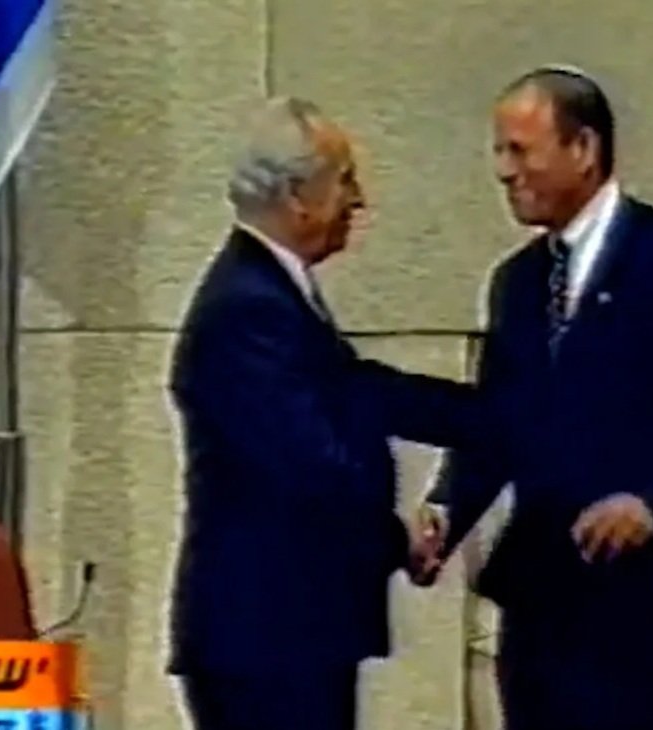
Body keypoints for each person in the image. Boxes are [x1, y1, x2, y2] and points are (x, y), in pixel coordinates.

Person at [415, 66, 653, 729]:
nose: (502, 170)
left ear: (583, 149)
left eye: (519, 150)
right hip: (544, 611)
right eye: (498, 150)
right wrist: (444, 511)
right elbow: (497, 424)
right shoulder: (517, 285)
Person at [166, 96, 485, 730]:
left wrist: (498, 416)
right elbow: (313, 469)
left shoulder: (271, 293)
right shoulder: (248, 309)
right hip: (264, 640)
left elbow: (363, 392)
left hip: (286, 637)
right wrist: (401, 541)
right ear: (296, 196)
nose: (359, 200)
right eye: (345, 180)